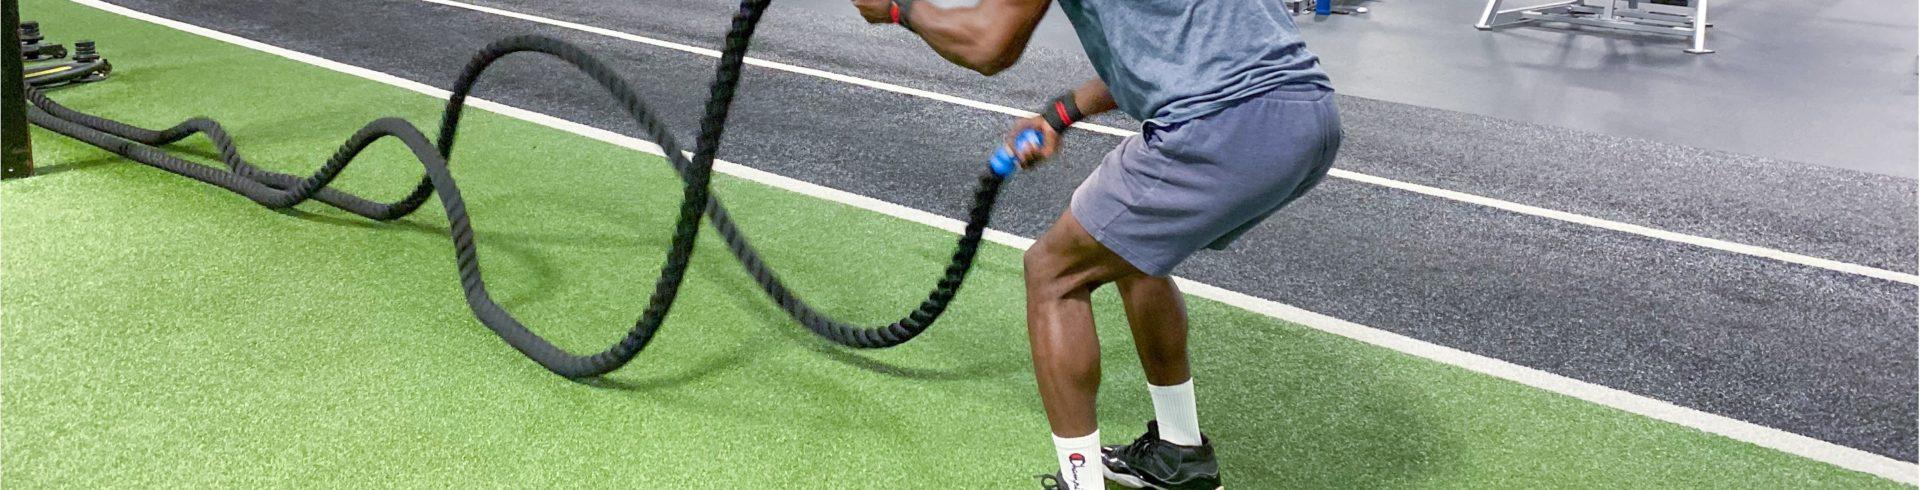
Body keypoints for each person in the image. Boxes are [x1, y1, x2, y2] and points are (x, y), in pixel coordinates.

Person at [850, 0, 1341, 488]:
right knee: (1132, 252)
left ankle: (1080, 482)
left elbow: (988, 43)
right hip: (1310, 115)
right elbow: (1166, 56)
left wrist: (899, 11)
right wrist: (1060, 113)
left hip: (1221, 123)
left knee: (1053, 274)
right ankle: (1180, 451)